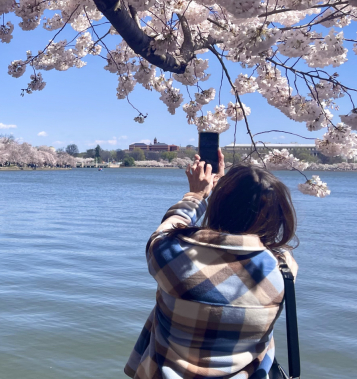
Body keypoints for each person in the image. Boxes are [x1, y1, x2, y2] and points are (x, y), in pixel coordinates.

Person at [124, 151, 298, 379]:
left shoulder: (170, 257)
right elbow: (257, 242)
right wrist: (227, 194)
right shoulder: (283, 269)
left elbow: (169, 226)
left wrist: (198, 194)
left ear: (218, 204)